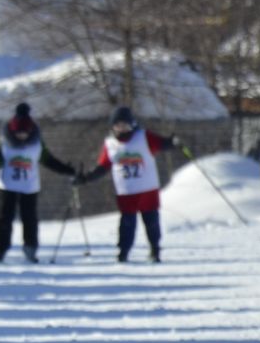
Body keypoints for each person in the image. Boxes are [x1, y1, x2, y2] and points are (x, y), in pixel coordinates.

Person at [74, 106, 181, 263]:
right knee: (127, 223)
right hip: (126, 191)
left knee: (151, 220)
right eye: (118, 125)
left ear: (132, 124)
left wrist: (172, 142)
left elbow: (161, 144)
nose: (122, 129)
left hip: (147, 189)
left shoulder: (143, 137)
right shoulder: (110, 143)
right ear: (112, 126)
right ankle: (123, 252)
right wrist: (86, 178)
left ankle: (155, 250)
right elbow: (103, 166)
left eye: (125, 125)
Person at [0, 102, 79, 263]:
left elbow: (48, 160)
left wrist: (67, 170)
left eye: (25, 133)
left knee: (30, 219)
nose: (21, 136)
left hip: (29, 188)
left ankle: (30, 248)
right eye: (18, 133)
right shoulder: (4, 144)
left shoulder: (37, 144)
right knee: (4, 220)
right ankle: (0, 250)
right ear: (12, 130)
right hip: (7, 186)